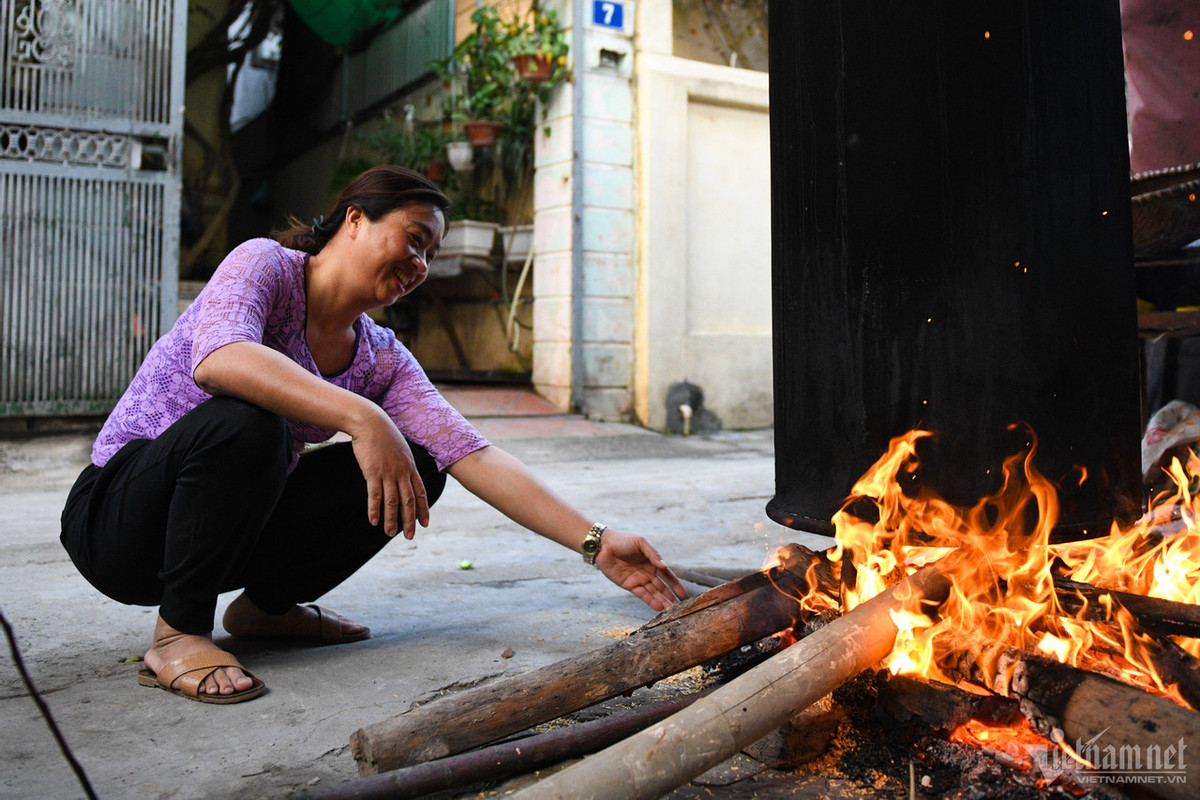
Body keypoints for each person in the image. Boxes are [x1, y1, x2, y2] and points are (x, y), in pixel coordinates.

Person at [59, 165, 687, 705]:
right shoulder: (266, 267)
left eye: (430, 256)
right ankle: (177, 634)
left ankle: (265, 608)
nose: (419, 264)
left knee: (422, 464)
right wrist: (363, 417)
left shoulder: (380, 356)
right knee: (251, 421)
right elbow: (220, 357)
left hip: (221, 536)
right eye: (414, 240)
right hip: (118, 525)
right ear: (355, 219)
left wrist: (596, 541)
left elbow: (473, 452)